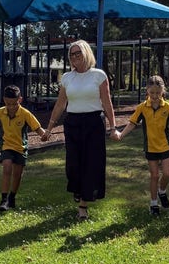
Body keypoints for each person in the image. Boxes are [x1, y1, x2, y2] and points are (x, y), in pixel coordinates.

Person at [42, 39, 118, 221]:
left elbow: (107, 102)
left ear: (86, 53)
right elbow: (61, 103)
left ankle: (83, 205)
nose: (75, 57)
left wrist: (113, 127)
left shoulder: (99, 75)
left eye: (78, 53)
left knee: (91, 164)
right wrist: (49, 127)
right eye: (72, 54)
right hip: (73, 123)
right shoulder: (67, 78)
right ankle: (78, 189)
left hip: (94, 123)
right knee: (73, 165)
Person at [114, 75, 169, 216]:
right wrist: (121, 135)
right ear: (147, 91)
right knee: (154, 175)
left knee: (167, 173)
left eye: (157, 93)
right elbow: (132, 123)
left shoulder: (168, 107)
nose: (154, 96)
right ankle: (153, 204)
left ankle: (162, 191)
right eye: (151, 93)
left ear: (162, 92)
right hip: (151, 146)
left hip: (165, 145)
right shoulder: (142, 108)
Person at [0, 85, 46, 211]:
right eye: (8, 103)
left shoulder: (25, 114)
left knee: (17, 174)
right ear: (4, 100)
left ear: (20, 100)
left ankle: (12, 197)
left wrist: (44, 135)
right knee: (7, 168)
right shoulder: (1, 112)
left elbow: (37, 128)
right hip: (6, 144)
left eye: (14, 104)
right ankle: (4, 199)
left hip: (20, 147)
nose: (11, 107)